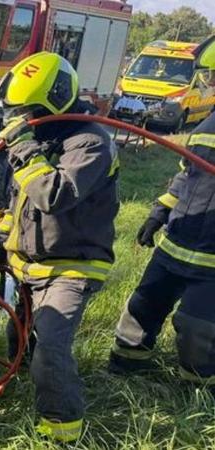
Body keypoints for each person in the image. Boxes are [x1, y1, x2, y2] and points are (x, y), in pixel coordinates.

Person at [0, 52, 120, 443]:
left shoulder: (91, 143)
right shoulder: (40, 138)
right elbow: (19, 201)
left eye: (26, 112)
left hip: (72, 266)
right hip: (29, 264)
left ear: (55, 102)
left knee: (49, 346)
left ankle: (61, 431)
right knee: (19, 336)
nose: (19, 121)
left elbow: (52, 195)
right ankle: (24, 385)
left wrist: (24, 150)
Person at [108, 38, 215, 384]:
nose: (209, 85)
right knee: (140, 310)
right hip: (175, 244)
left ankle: (196, 390)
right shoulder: (208, 124)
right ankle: (126, 369)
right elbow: (188, 175)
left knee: (197, 329)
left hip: (212, 262)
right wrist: (159, 212)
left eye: (212, 77)